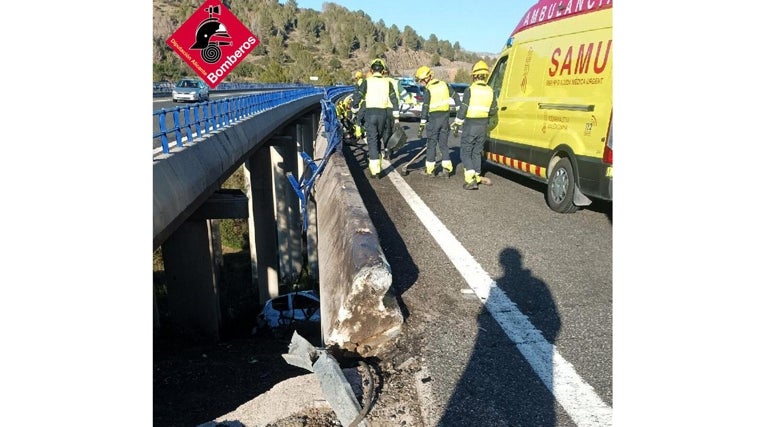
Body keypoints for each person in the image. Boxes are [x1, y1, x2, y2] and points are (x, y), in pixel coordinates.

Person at [452, 60, 498, 190]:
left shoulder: (470, 90)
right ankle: (477, 177)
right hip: (483, 125)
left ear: (475, 75)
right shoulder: (490, 91)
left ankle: (470, 179)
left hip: (471, 124)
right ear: (485, 75)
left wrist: (457, 123)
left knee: (465, 152)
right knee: (477, 152)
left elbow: (463, 108)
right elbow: (494, 110)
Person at [351, 58, 400, 179]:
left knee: (372, 140)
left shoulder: (367, 82)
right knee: (379, 138)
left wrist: (354, 107)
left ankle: (375, 170)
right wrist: (396, 114)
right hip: (383, 114)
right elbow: (394, 99)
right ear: (383, 71)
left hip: (370, 113)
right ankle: (379, 160)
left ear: (372, 70)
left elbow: (359, 95)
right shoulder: (387, 82)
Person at [414, 66, 461, 177]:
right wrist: (459, 115)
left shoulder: (428, 90)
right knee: (443, 145)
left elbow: (425, 107)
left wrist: (422, 124)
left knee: (431, 145)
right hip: (445, 119)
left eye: (421, 80)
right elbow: (456, 97)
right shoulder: (444, 85)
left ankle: (430, 171)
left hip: (434, 119)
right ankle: (447, 170)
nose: (421, 83)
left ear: (427, 78)